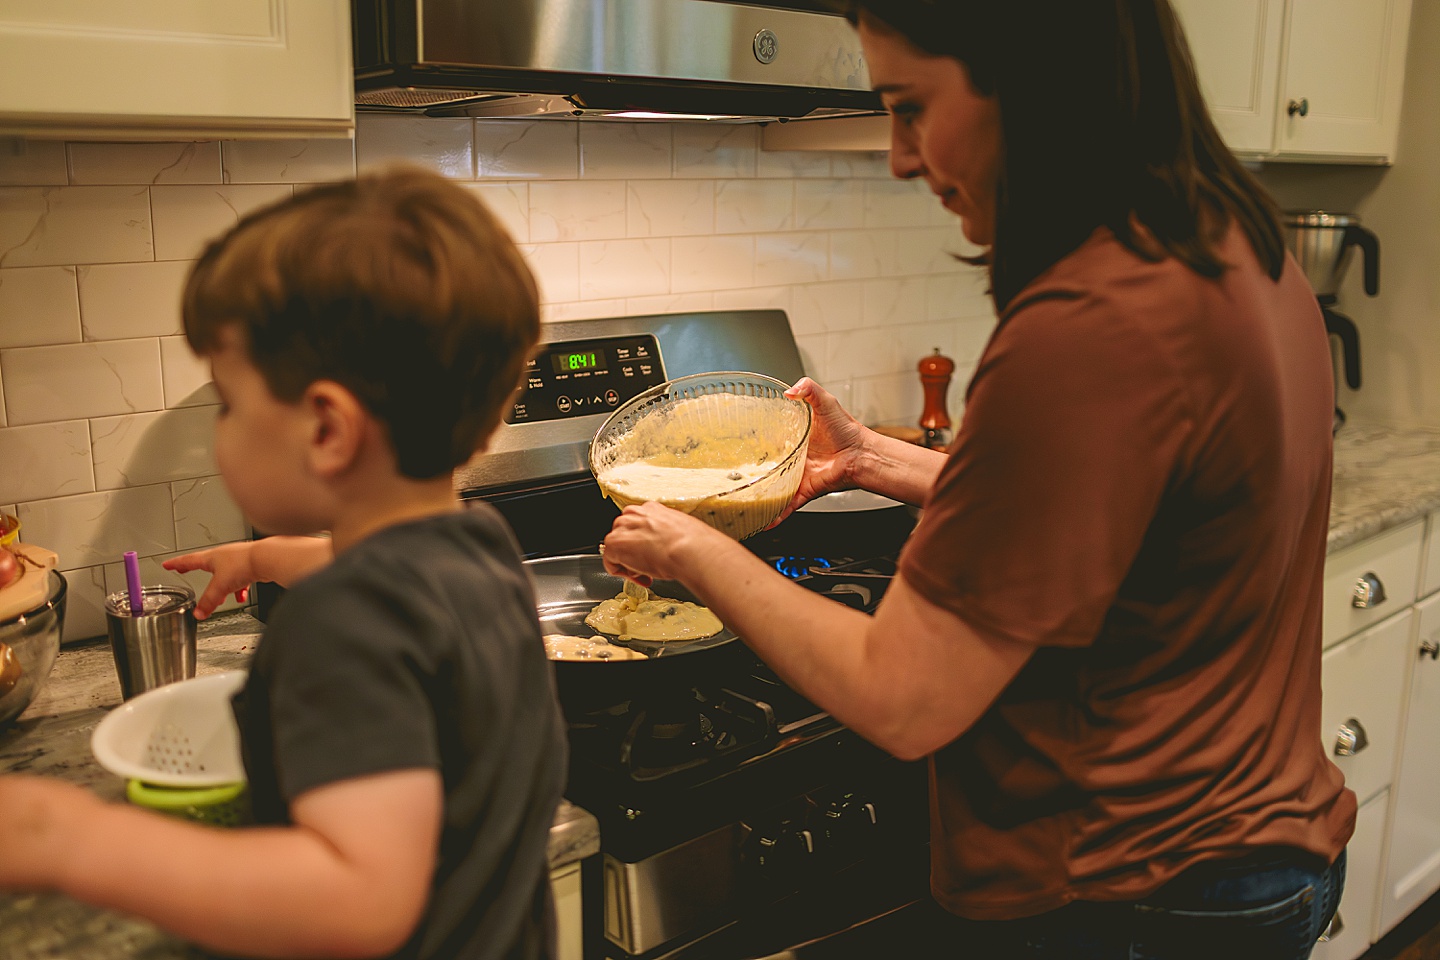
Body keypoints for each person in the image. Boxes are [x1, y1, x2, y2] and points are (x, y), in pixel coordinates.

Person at [597, 2, 1353, 957]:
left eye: (911, 106)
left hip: (1137, 886)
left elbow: (904, 699)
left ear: (1035, 84)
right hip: (1251, 844)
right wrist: (870, 456)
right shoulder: (1227, 245)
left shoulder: (1085, 327)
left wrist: (689, 544)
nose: (901, 156)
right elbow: (1103, 510)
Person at [0, 168, 567, 960]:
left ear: (327, 431)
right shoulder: (481, 545)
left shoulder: (342, 624)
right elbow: (402, 587)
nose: (221, 426)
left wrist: (66, 835)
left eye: (230, 402)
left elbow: (361, 898)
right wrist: (269, 557)